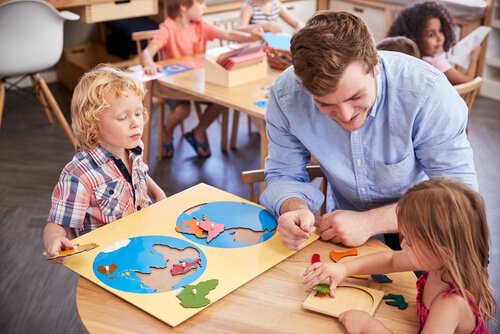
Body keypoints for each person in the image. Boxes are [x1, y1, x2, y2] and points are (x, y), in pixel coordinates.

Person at [260, 11, 477, 251]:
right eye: (325, 104)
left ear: (374, 65)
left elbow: (459, 196)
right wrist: (294, 207)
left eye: (356, 96)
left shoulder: (428, 93)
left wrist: (370, 222)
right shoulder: (287, 95)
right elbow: (283, 173)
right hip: (346, 230)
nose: (345, 115)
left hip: (429, 226)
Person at [303, 178, 496, 333]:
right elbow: (392, 259)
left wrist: (368, 327)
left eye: (410, 242)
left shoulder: (449, 305)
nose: (402, 245)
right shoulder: (441, 265)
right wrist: (344, 269)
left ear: (442, 250)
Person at [44, 65, 166, 264]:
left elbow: (137, 173)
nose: (135, 123)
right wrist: (55, 239)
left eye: (138, 113)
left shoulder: (133, 147)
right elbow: (57, 223)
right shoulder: (78, 175)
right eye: (123, 117)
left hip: (142, 241)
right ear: (93, 125)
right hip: (107, 260)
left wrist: (158, 193)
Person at [140, 0, 262, 159]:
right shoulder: (168, 28)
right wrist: (149, 63)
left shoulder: (201, 24)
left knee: (222, 100)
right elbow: (146, 53)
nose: (205, 7)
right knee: (182, 110)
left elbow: (228, 34)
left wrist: (251, 36)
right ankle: (167, 133)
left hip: (198, 84)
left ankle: (198, 131)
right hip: (175, 87)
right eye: (201, 3)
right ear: (183, 7)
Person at [387, 1, 480, 85]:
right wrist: (474, 58)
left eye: (440, 30)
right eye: (431, 35)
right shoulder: (435, 64)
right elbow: (466, 80)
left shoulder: (407, 61)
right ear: (414, 38)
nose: (439, 38)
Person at [237, 0, 304, 34]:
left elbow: (296, 23)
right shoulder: (249, 6)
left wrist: (304, 30)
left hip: (271, 49)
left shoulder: (275, 4)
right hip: (255, 49)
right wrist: (264, 26)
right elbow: (239, 30)